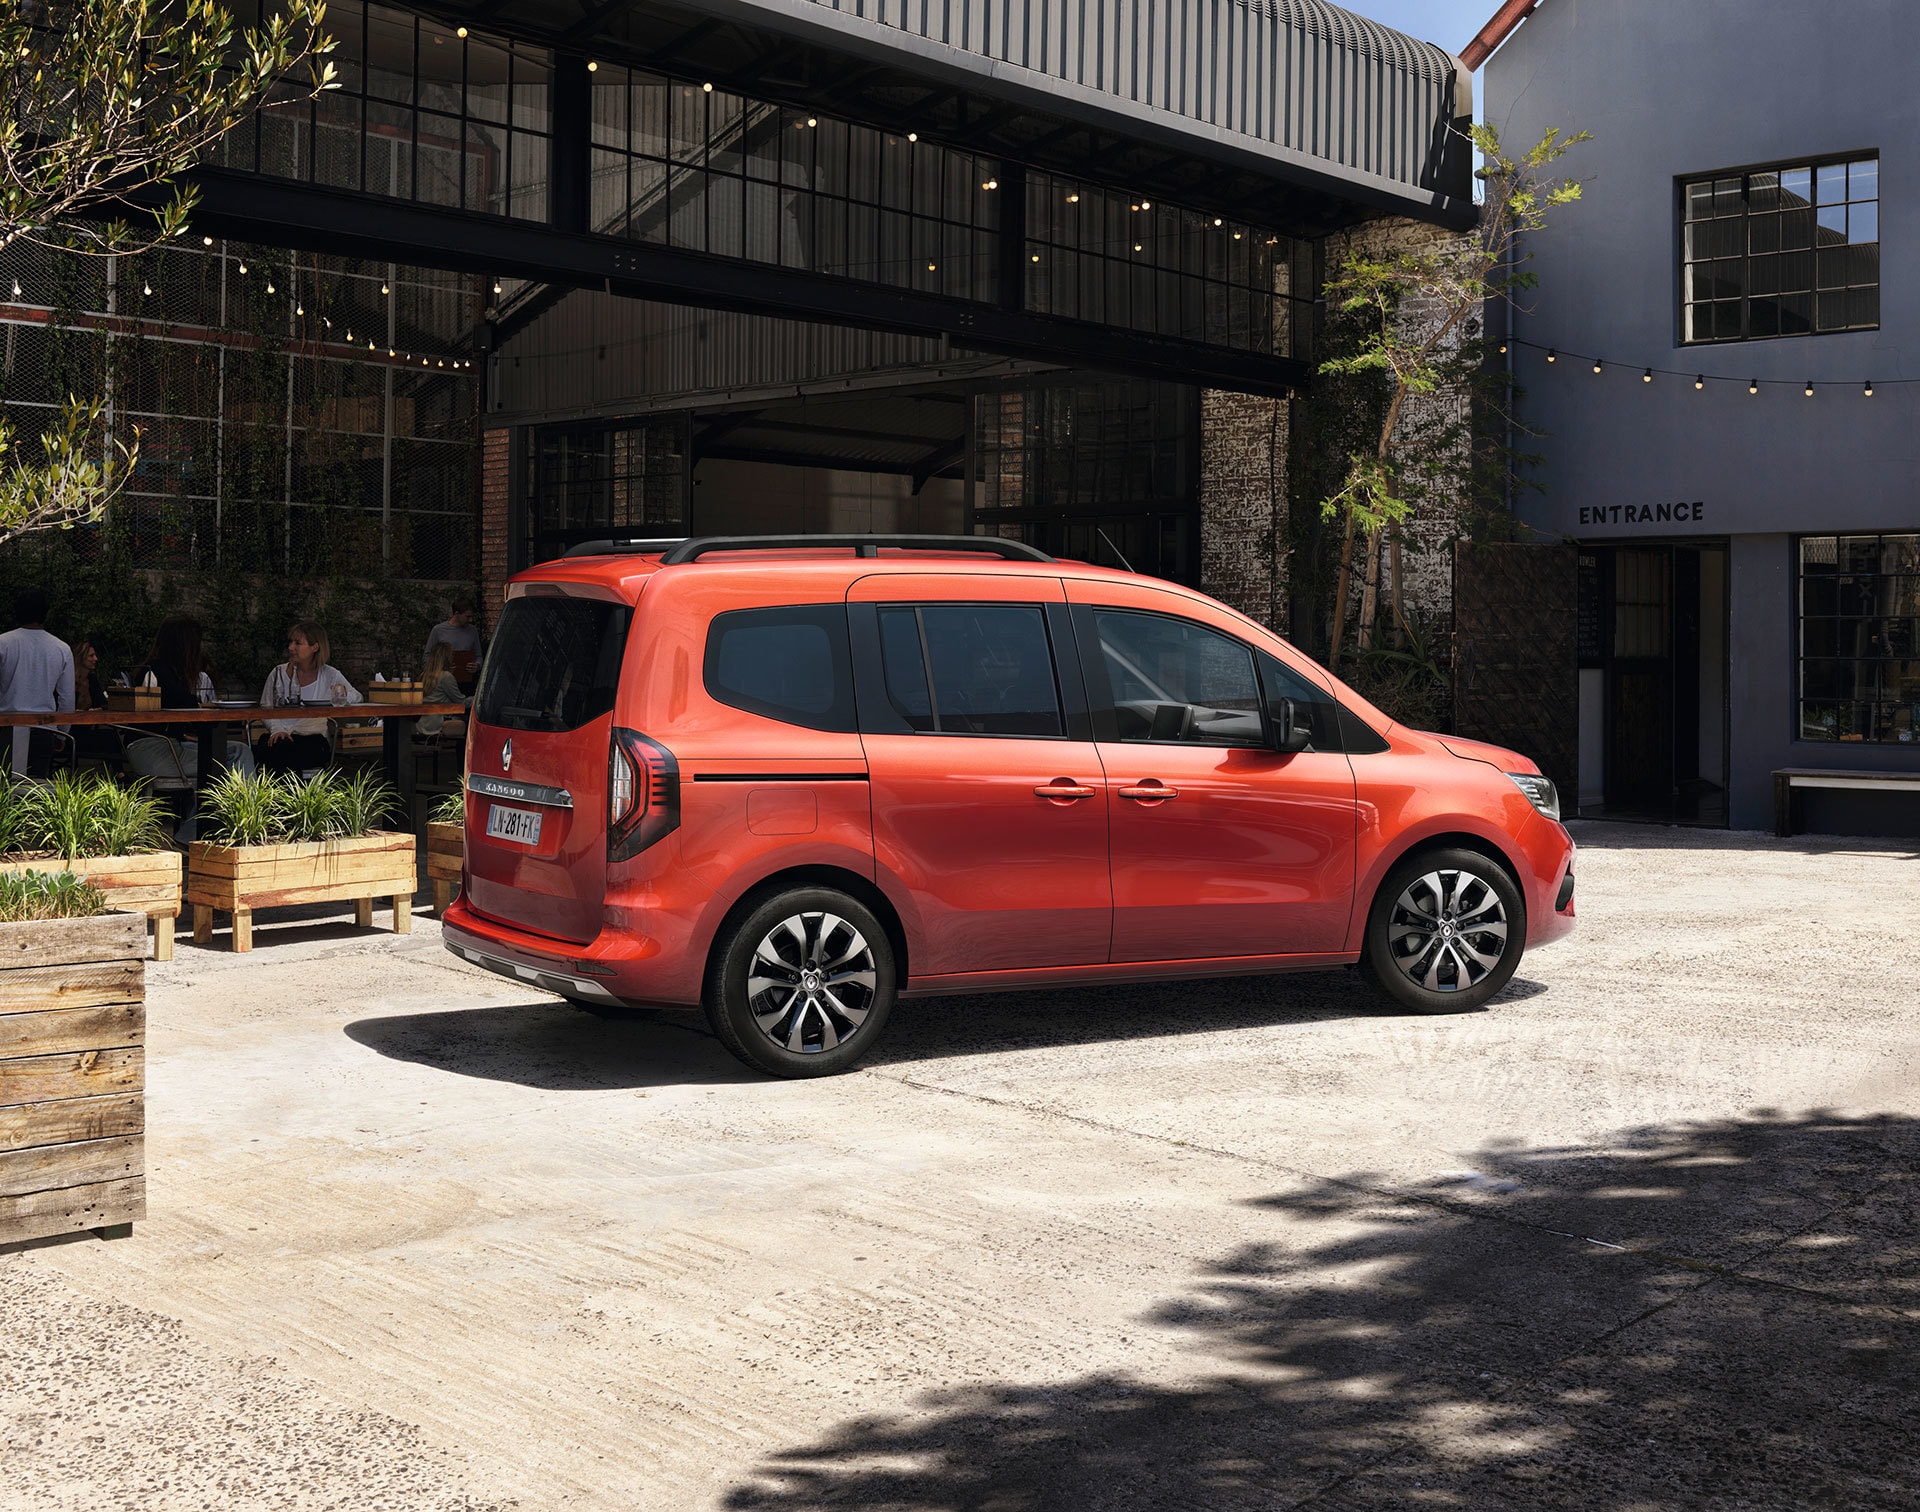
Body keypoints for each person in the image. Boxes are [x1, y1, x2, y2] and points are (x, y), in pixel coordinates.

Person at [255, 621, 360, 774]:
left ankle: (281, 789)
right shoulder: (278, 673)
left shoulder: (329, 674)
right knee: (276, 747)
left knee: (283, 753)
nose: (291, 648)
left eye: (298, 643)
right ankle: (295, 789)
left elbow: (357, 697)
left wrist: (341, 694)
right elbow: (266, 706)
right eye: (290, 642)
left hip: (313, 739)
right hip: (279, 737)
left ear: (315, 647)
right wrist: (277, 730)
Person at [0, 588, 75, 775]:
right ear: (45, 613)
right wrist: (62, 733)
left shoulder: (3, 643)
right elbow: (67, 699)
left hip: (6, 726)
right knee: (36, 784)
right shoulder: (61, 648)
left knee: (5, 784)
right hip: (44, 727)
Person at [423, 595, 485, 694]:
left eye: (471, 616)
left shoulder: (472, 631)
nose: (470, 620)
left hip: (465, 681)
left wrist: (476, 665)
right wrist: (439, 669)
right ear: (456, 614)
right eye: (467, 616)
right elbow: (427, 656)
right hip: (443, 682)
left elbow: (479, 656)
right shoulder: (439, 630)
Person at [417, 640, 470, 739]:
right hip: (440, 723)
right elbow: (461, 702)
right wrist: (477, 699)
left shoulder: (424, 675)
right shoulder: (446, 676)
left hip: (424, 723)